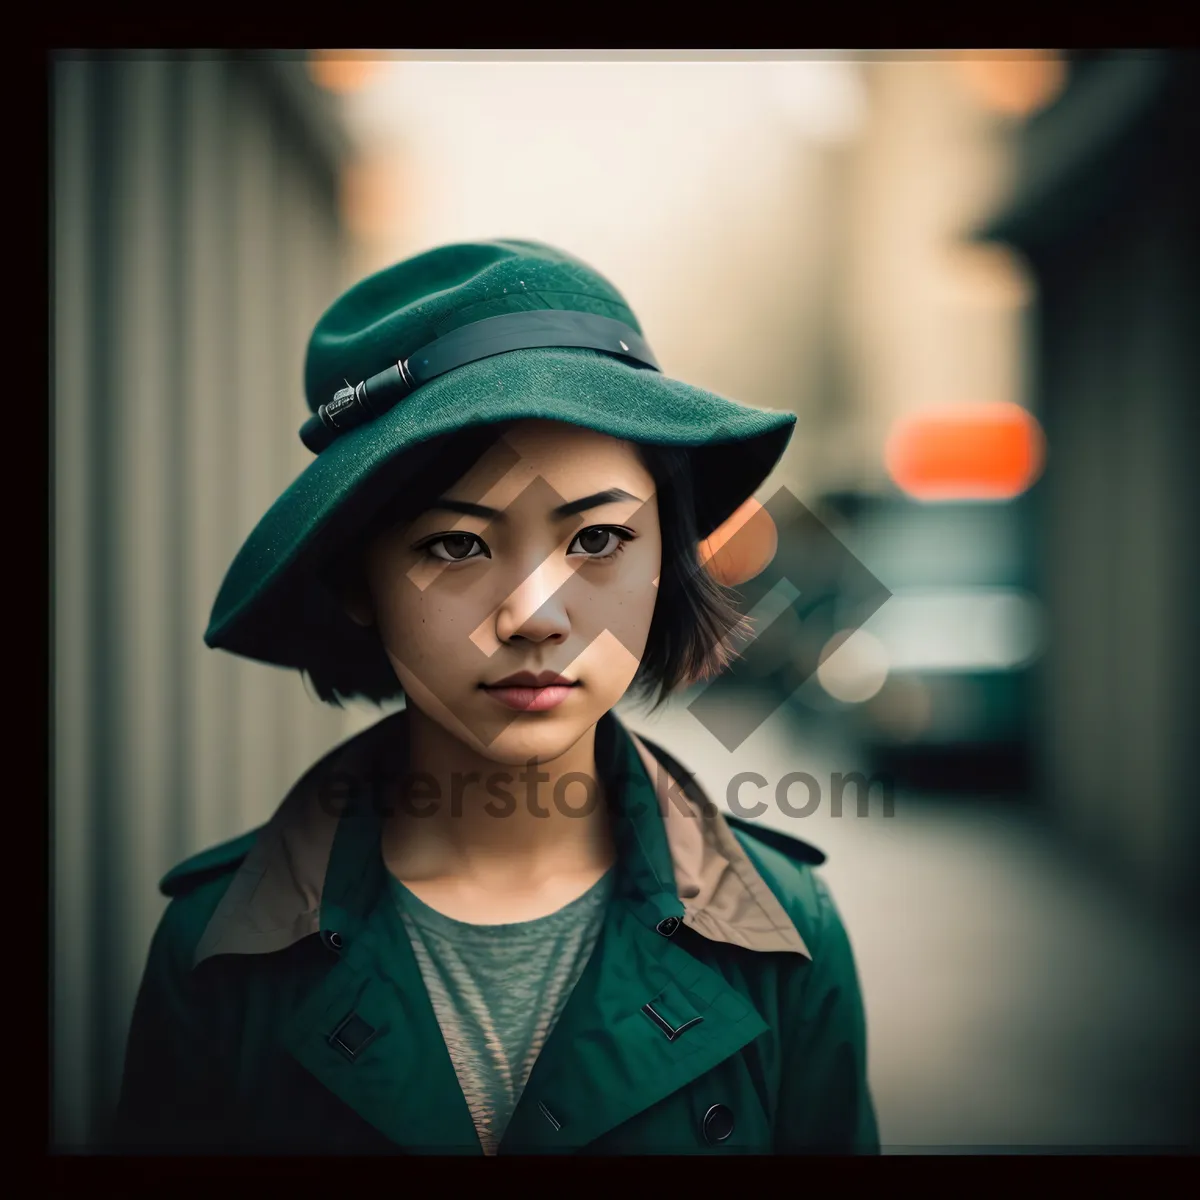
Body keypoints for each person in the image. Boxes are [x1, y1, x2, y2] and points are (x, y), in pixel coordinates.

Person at [113, 239, 879, 1155]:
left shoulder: (785, 940)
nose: (534, 616)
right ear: (362, 577)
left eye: (597, 538)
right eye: (457, 546)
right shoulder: (219, 956)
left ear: (663, 557)